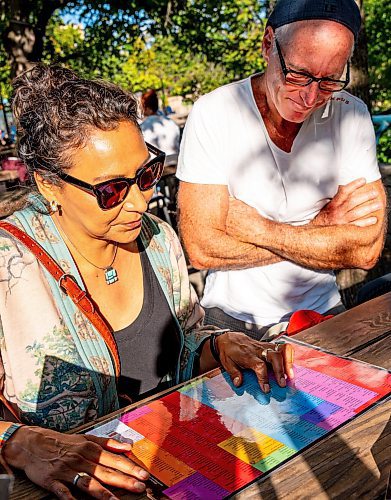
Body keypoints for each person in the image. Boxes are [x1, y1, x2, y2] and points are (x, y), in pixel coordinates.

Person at [0, 64, 294, 499]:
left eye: (145, 174)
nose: (140, 202)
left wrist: (217, 346)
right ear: (49, 185)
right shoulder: (9, 265)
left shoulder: (157, 239)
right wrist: (18, 442)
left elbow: (185, 343)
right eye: (111, 190)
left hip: (183, 471)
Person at [177, 0, 387, 339]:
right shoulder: (215, 112)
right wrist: (321, 229)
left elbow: (365, 249)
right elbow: (202, 248)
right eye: (299, 74)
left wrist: (257, 228)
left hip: (323, 313)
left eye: (330, 80)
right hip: (230, 319)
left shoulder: (351, 114)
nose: (310, 96)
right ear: (267, 44)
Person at [140, 89, 181, 156]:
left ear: (147, 109)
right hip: (175, 162)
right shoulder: (171, 123)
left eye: (142, 107)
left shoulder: (142, 128)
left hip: (157, 164)